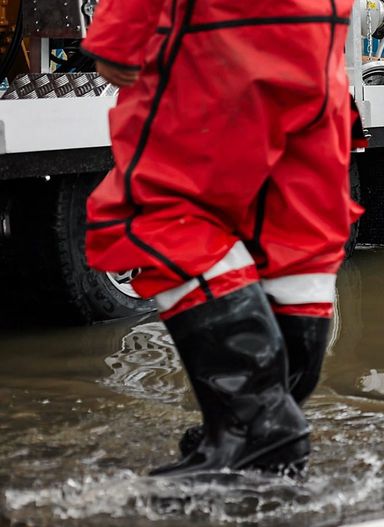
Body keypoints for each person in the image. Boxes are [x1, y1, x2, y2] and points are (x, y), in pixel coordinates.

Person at [81, 0, 362, 475]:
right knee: (290, 223)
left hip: (222, 35)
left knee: (161, 213)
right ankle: (265, 423)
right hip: (316, 42)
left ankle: (256, 427)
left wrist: (118, 35)